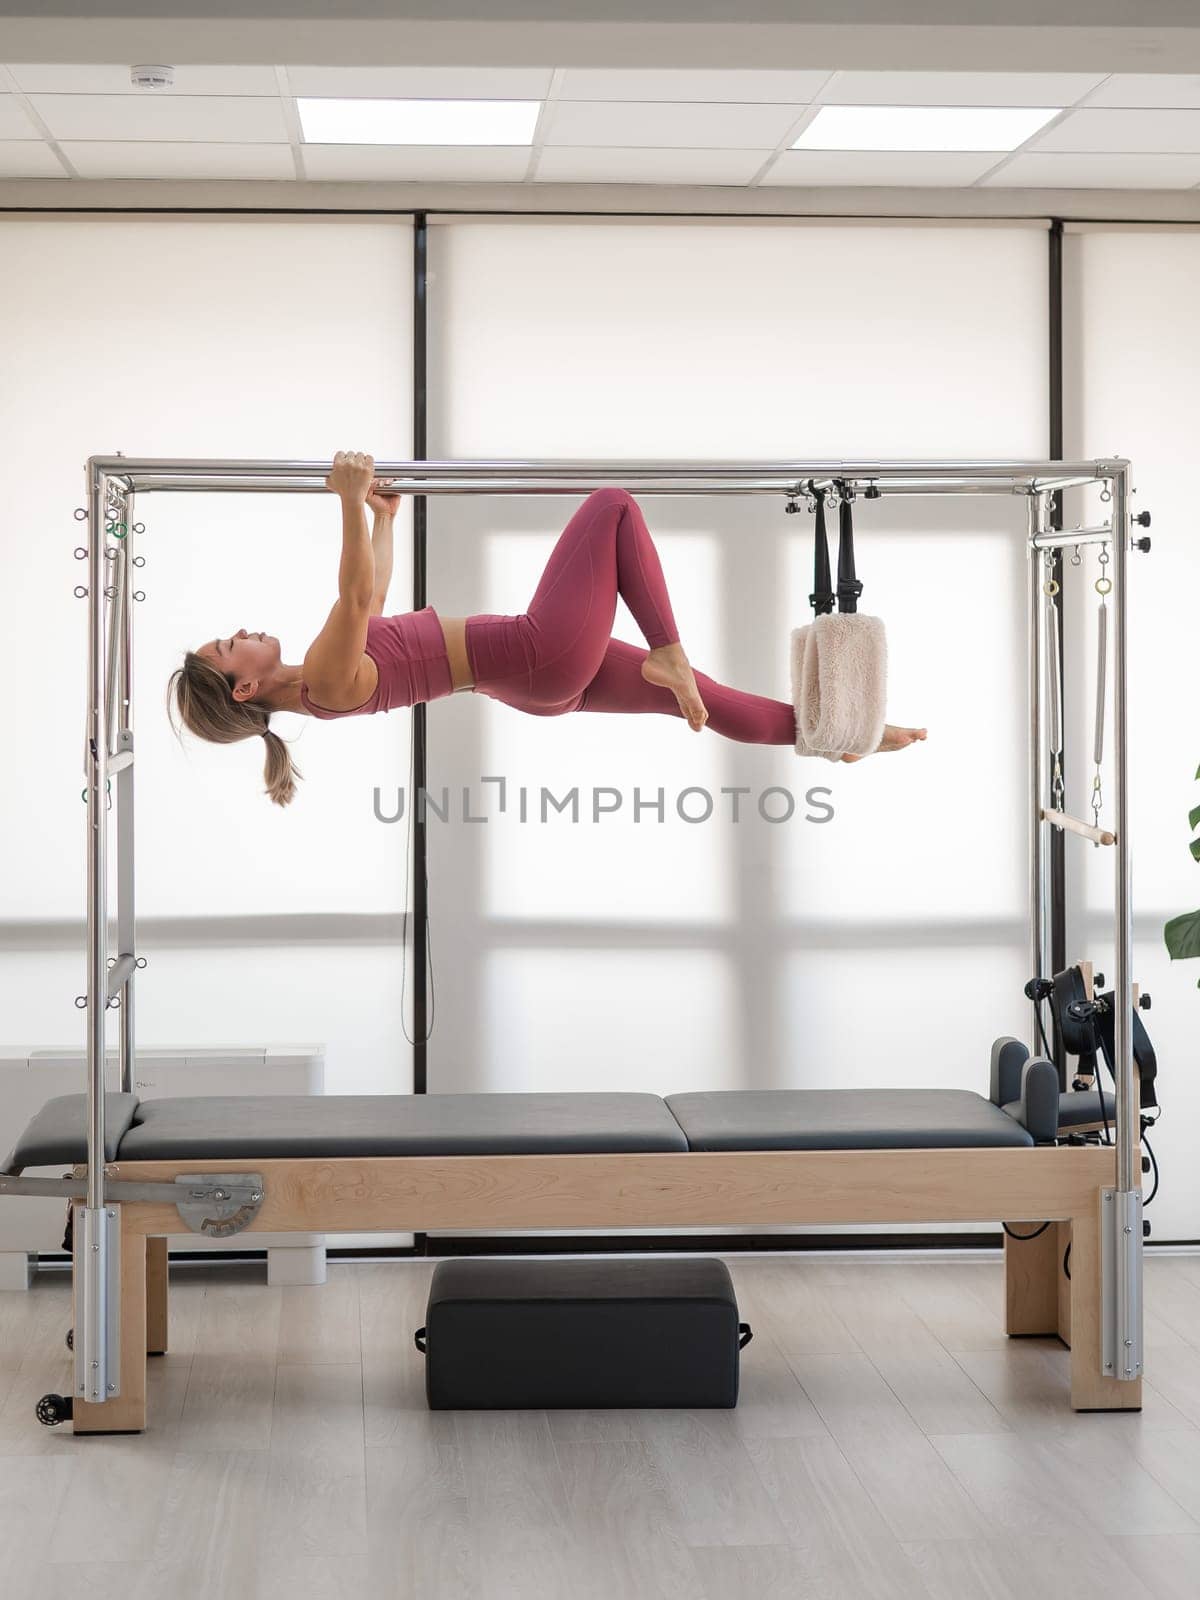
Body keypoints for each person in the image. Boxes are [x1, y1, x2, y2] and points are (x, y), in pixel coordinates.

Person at [168, 450, 926, 806]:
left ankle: (844, 736)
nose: (239, 631)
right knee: (612, 505)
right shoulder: (324, 683)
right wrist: (344, 496)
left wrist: (379, 516)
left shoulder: (320, 676)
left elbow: (371, 595)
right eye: (229, 644)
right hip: (536, 655)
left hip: (536, 679)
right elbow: (355, 589)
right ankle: (669, 651)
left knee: (701, 696)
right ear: (243, 684)